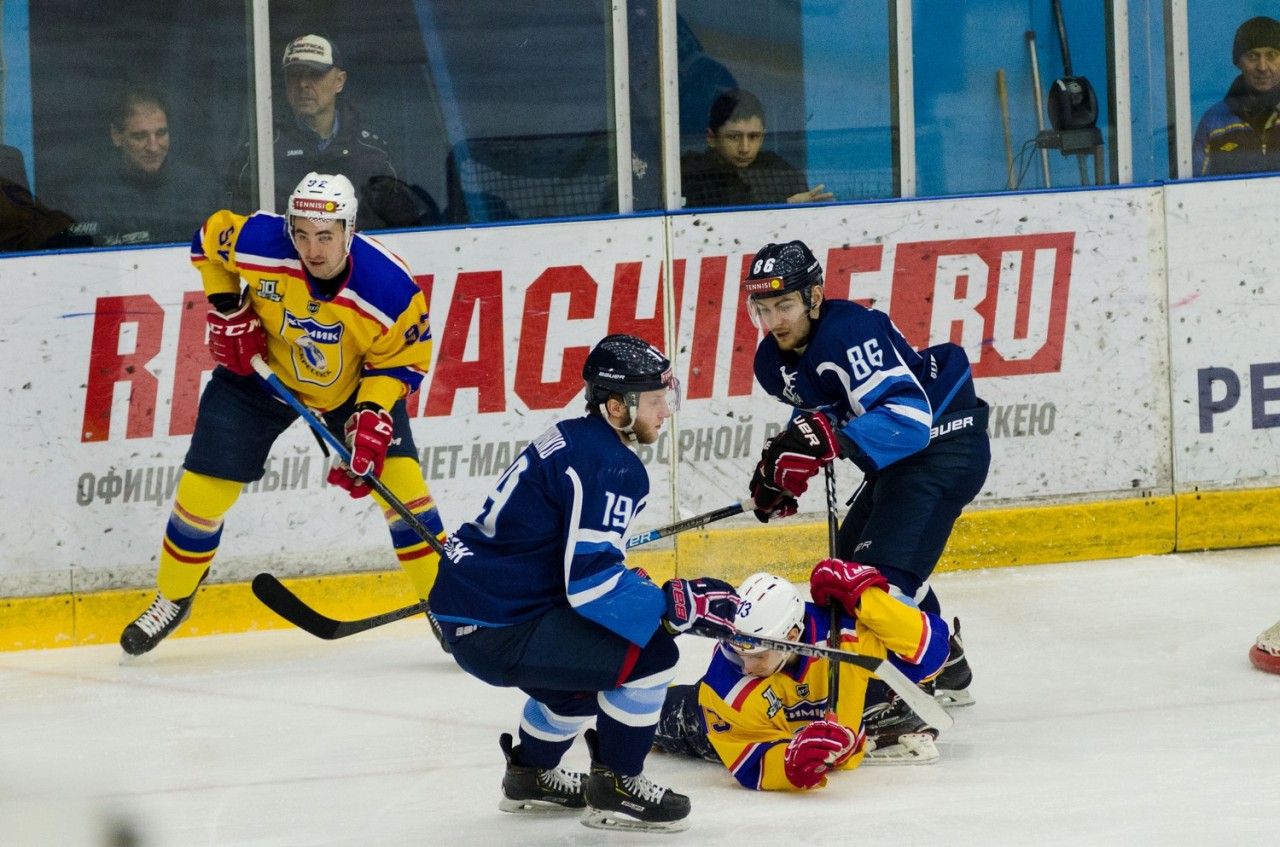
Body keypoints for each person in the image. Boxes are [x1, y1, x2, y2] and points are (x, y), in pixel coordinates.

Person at [119, 172, 448, 656]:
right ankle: (173, 597)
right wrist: (229, 307)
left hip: (352, 389)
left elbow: (403, 361)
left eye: (325, 236)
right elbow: (208, 242)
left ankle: (449, 607)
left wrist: (373, 413)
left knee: (406, 493)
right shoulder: (262, 241)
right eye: (302, 234)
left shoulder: (390, 288)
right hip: (258, 377)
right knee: (201, 496)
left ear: (349, 230)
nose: (312, 249)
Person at [428, 334, 741, 833]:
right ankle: (619, 786)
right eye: (655, 401)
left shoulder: (575, 436)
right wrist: (667, 604)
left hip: (474, 610)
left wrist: (635, 592)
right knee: (652, 655)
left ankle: (531, 776)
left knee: (579, 685)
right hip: (500, 623)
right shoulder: (614, 465)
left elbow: (567, 560)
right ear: (617, 406)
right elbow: (590, 584)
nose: (666, 412)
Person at [739, 239, 990, 748]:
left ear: (813, 296)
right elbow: (821, 411)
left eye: (783, 305)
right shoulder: (774, 360)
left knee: (873, 591)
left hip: (942, 449)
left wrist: (825, 441)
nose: (774, 321)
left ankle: (901, 705)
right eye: (764, 309)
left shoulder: (850, 332)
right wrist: (783, 469)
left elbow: (911, 420)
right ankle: (947, 662)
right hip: (898, 462)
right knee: (850, 567)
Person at [655, 567, 951, 783]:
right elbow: (750, 764)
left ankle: (879, 716)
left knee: (879, 672)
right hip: (710, 727)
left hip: (806, 714)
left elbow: (932, 652)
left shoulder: (843, 633)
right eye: (737, 653)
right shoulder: (726, 687)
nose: (746, 667)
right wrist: (789, 765)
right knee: (654, 716)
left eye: (757, 655)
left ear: (792, 635)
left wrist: (866, 598)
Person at [228, 34, 427, 231]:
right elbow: (237, 232)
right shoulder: (258, 153)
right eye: (294, 74)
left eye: (314, 74)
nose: (303, 84)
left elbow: (407, 231)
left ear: (339, 81)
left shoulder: (373, 152)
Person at [59, 86, 220, 245]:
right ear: (116, 136)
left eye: (161, 133)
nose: (153, 147)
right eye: (140, 136)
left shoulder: (204, 190)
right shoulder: (84, 201)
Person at [680, 88, 834, 209]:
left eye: (753, 137)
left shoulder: (781, 173)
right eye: (734, 137)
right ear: (711, 138)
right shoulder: (689, 176)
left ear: (763, 137)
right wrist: (784, 207)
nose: (745, 148)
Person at [1193, 16, 1280, 176]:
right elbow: (1192, 190)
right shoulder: (1213, 122)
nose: (1262, 67)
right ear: (1238, 62)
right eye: (1252, 56)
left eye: (1271, 55)